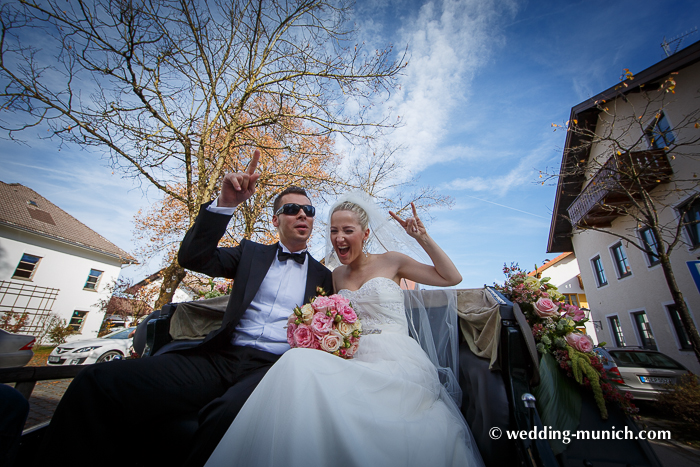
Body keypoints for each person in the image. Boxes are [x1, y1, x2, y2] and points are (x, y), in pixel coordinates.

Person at [35, 150, 333, 467]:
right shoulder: (251, 253)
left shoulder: (324, 279)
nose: (302, 214)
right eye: (292, 208)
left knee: (225, 419)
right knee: (97, 382)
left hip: (271, 369)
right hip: (219, 357)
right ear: (276, 219)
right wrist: (225, 205)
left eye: (309, 210)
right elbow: (194, 257)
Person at [204, 192, 484, 467]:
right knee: (297, 361)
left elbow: (451, 277)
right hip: (353, 357)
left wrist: (421, 238)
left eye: (347, 230)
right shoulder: (334, 275)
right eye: (333, 230)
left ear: (365, 234)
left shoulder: (393, 261)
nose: (339, 238)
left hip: (396, 356)